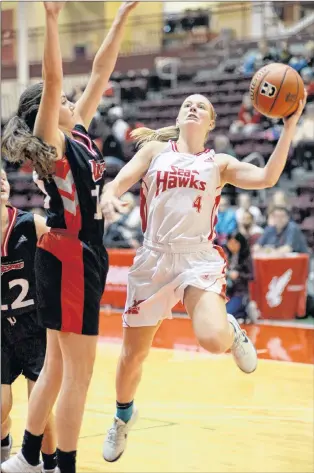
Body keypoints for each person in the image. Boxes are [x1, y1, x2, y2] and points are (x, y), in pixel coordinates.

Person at [100, 90, 307, 462]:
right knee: (133, 357)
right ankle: (122, 417)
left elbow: (267, 176)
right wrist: (110, 195)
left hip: (196, 259)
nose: (193, 108)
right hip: (153, 260)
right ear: (179, 120)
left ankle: (231, 329)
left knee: (213, 341)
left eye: (201, 107)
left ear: (210, 124)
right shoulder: (154, 152)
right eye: (186, 105)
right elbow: (119, 181)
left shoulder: (219, 163)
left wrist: (289, 127)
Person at [1, 2, 138, 473]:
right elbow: (55, 78)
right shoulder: (52, 140)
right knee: (79, 374)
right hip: (72, 254)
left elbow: (101, 67)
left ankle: (27, 457)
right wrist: (54, 22)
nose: (69, 96)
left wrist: (121, 16)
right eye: (58, 96)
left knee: (58, 367)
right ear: (46, 106)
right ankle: (65, 466)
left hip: (71, 254)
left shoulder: (76, 125)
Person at [1, 169, 56, 473]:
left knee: (41, 406)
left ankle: (49, 465)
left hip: (34, 325)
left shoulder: (29, 223)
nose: (1, 182)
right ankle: (4, 444)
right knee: (1, 408)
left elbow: (65, 249)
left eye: (3, 178)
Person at [224, 232, 253, 319]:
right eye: (230, 243)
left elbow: (251, 276)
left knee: (227, 314)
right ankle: (242, 312)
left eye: (235, 243)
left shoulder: (246, 257)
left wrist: (238, 275)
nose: (232, 246)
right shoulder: (227, 256)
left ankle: (245, 310)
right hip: (228, 292)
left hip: (240, 293)